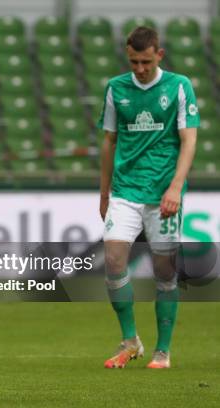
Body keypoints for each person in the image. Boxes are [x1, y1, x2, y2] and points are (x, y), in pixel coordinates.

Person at [99, 26, 198, 369]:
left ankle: (163, 350)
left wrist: (176, 187)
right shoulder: (116, 88)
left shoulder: (179, 86)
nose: (139, 68)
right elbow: (109, 142)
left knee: (164, 272)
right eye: (133, 62)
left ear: (160, 55)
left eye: (144, 61)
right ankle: (130, 340)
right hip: (125, 190)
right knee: (112, 260)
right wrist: (104, 192)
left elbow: (188, 139)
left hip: (163, 192)